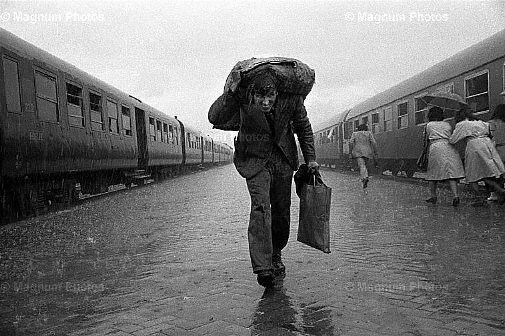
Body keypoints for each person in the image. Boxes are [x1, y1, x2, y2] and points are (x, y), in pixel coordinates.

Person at [208, 70, 318, 288]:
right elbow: (215, 117)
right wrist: (230, 92)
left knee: (281, 211)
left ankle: (276, 253)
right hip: (255, 161)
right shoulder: (241, 98)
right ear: (252, 94)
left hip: (283, 159)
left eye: (271, 97)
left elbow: (304, 130)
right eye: (261, 98)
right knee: (260, 207)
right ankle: (263, 266)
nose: (266, 102)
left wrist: (311, 159)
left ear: (278, 92)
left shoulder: (292, 99)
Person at [449, 107, 505, 205]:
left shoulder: (462, 124)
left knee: (472, 174)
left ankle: (479, 198)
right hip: (487, 145)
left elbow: (453, 140)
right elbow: (490, 134)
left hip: (474, 147)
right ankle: (499, 189)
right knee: (487, 172)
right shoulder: (481, 122)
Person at [423, 106, 465, 206]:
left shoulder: (429, 125)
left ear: (430, 115)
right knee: (451, 173)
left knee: (433, 173)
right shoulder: (447, 124)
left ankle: (433, 196)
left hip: (436, 147)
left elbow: (426, 140)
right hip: (449, 146)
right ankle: (455, 196)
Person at [349, 123, 378, 188]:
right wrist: (375, 152)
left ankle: (364, 178)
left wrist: (350, 152)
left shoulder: (354, 134)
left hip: (358, 152)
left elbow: (350, 142)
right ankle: (365, 177)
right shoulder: (369, 133)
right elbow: (374, 142)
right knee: (365, 165)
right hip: (367, 152)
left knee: (362, 165)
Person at [487, 104, 505, 201]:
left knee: (496, 173)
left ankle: (496, 193)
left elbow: (490, 137)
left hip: (497, 150)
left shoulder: (490, 123)